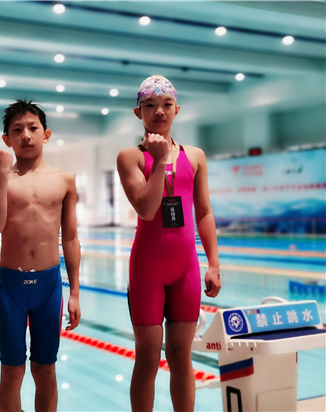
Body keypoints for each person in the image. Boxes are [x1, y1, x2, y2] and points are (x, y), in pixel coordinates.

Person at [116, 75, 221, 412]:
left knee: (180, 356)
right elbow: (146, 210)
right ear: (138, 112)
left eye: (166, 105)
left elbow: (204, 212)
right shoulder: (130, 157)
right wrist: (160, 160)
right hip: (147, 269)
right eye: (150, 105)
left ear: (177, 109)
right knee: (148, 357)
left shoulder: (196, 156)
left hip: (186, 269)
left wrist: (213, 263)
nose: (159, 111)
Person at [0, 99, 81, 412]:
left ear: (46, 134)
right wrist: (1, 173)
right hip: (10, 286)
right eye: (17, 130)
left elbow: (71, 237)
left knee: (45, 369)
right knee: (12, 371)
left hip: (49, 285)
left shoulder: (64, 180)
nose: (25, 135)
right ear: (7, 139)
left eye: (32, 128)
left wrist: (75, 292)